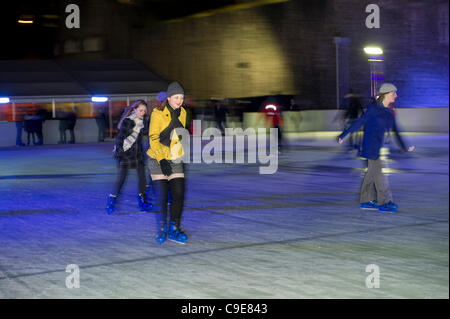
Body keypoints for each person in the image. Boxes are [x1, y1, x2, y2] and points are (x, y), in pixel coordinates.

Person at [337, 83, 415, 213]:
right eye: (393, 93)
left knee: (371, 174)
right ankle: (385, 202)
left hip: (378, 146)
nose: (396, 95)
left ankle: (366, 200)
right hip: (370, 146)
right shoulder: (373, 109)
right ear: (386, 94)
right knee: (379, 175)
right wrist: (344, 134)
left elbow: (396, 130)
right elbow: (360, 121)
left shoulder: (390, 112)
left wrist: (405, 146)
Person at [147, 82, 188, 244]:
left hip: (175, 157)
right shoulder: (158, 113)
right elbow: (153, 138)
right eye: (176, 97)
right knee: (163, 195)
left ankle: (174, 228)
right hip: (157, 158)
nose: (179, 101)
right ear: (169, 98)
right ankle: (163, 227)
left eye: (182, 98)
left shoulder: (183, 112)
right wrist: (162, 158)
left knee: (179, 193)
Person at [106, 100, 153, 214]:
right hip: (126, 154)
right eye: (140, 110)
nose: (142, 113)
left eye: (144, 111)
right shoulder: (128, 121)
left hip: (138, 154)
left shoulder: (143, 121)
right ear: (134, 109)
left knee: (142, 178)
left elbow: (148, 132)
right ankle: (112, 201)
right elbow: (120, 138)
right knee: (121, 179)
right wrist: (119, 152)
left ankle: (143, 201)